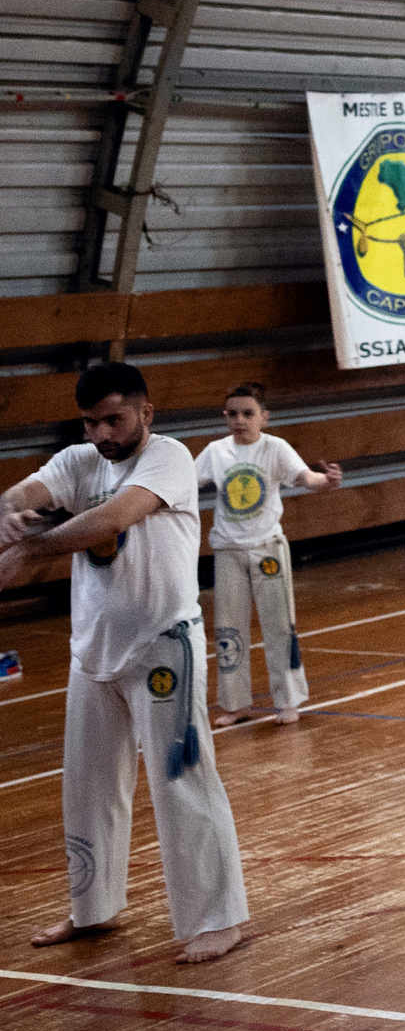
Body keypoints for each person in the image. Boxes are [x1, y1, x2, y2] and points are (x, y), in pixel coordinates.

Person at [0, 363, 250, 963]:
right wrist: (11, 517)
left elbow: (109, 520)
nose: (103, 433)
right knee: (87, 786)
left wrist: (26, 551)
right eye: (91, 422)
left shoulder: (169, 457)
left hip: (164, 644)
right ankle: (93, 909)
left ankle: (219, 917)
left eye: (115, 418)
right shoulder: (77, 461)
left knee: (181, 780)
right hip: (92, 651)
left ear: (146, 411)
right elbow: (19, 494)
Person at [194, 382, 343, 727]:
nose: (240, 421)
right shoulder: (216, 452)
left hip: (267, 549)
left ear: (264, 417)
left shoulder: (275, 448)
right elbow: (185, 482)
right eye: (232, 414)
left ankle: (288, 700)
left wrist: (327, 480)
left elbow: (304, 477)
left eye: (248, 414)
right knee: (228, 629)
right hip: (228, 550)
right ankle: (236, 704)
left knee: (279, 625)